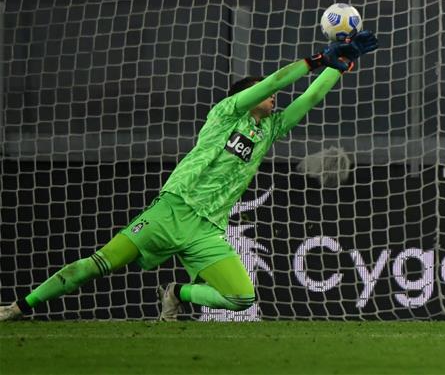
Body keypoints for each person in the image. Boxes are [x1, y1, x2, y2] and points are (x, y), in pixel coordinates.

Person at [0, 30, 379, 321]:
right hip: (171, 211)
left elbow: (309, 99)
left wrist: (338, 66)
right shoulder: (226, 113)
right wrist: (316, 60)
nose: (271, 97)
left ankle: (178, 293)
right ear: (243, 96)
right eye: (260, 92)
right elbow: (274, 82)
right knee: (95, 266)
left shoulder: (269, 130)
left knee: (242, 298)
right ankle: (19, 306)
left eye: (269, 95)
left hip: (206, 230)